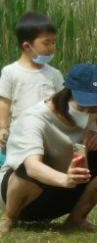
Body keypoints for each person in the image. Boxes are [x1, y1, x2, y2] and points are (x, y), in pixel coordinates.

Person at [0, 63, 97, 234]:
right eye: (82, 107)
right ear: (67, 95)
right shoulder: (35, 119)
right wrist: (65, 179)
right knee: (28, 166)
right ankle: (8, 218)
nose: (88, 113)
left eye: (95, 107)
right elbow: (32, 166)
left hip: (64, 191)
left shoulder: (96, 115)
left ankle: (77, 219)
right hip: (23, 198)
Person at [0, 13, 65, 163]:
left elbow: (62, 102)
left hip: (48, 134)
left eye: (54, 42)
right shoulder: (11, 72)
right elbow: (4, 103)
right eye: (46, 43)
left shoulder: (54, 74)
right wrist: (3, 127)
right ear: (27, 46)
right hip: (20, 134)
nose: (52, 48)